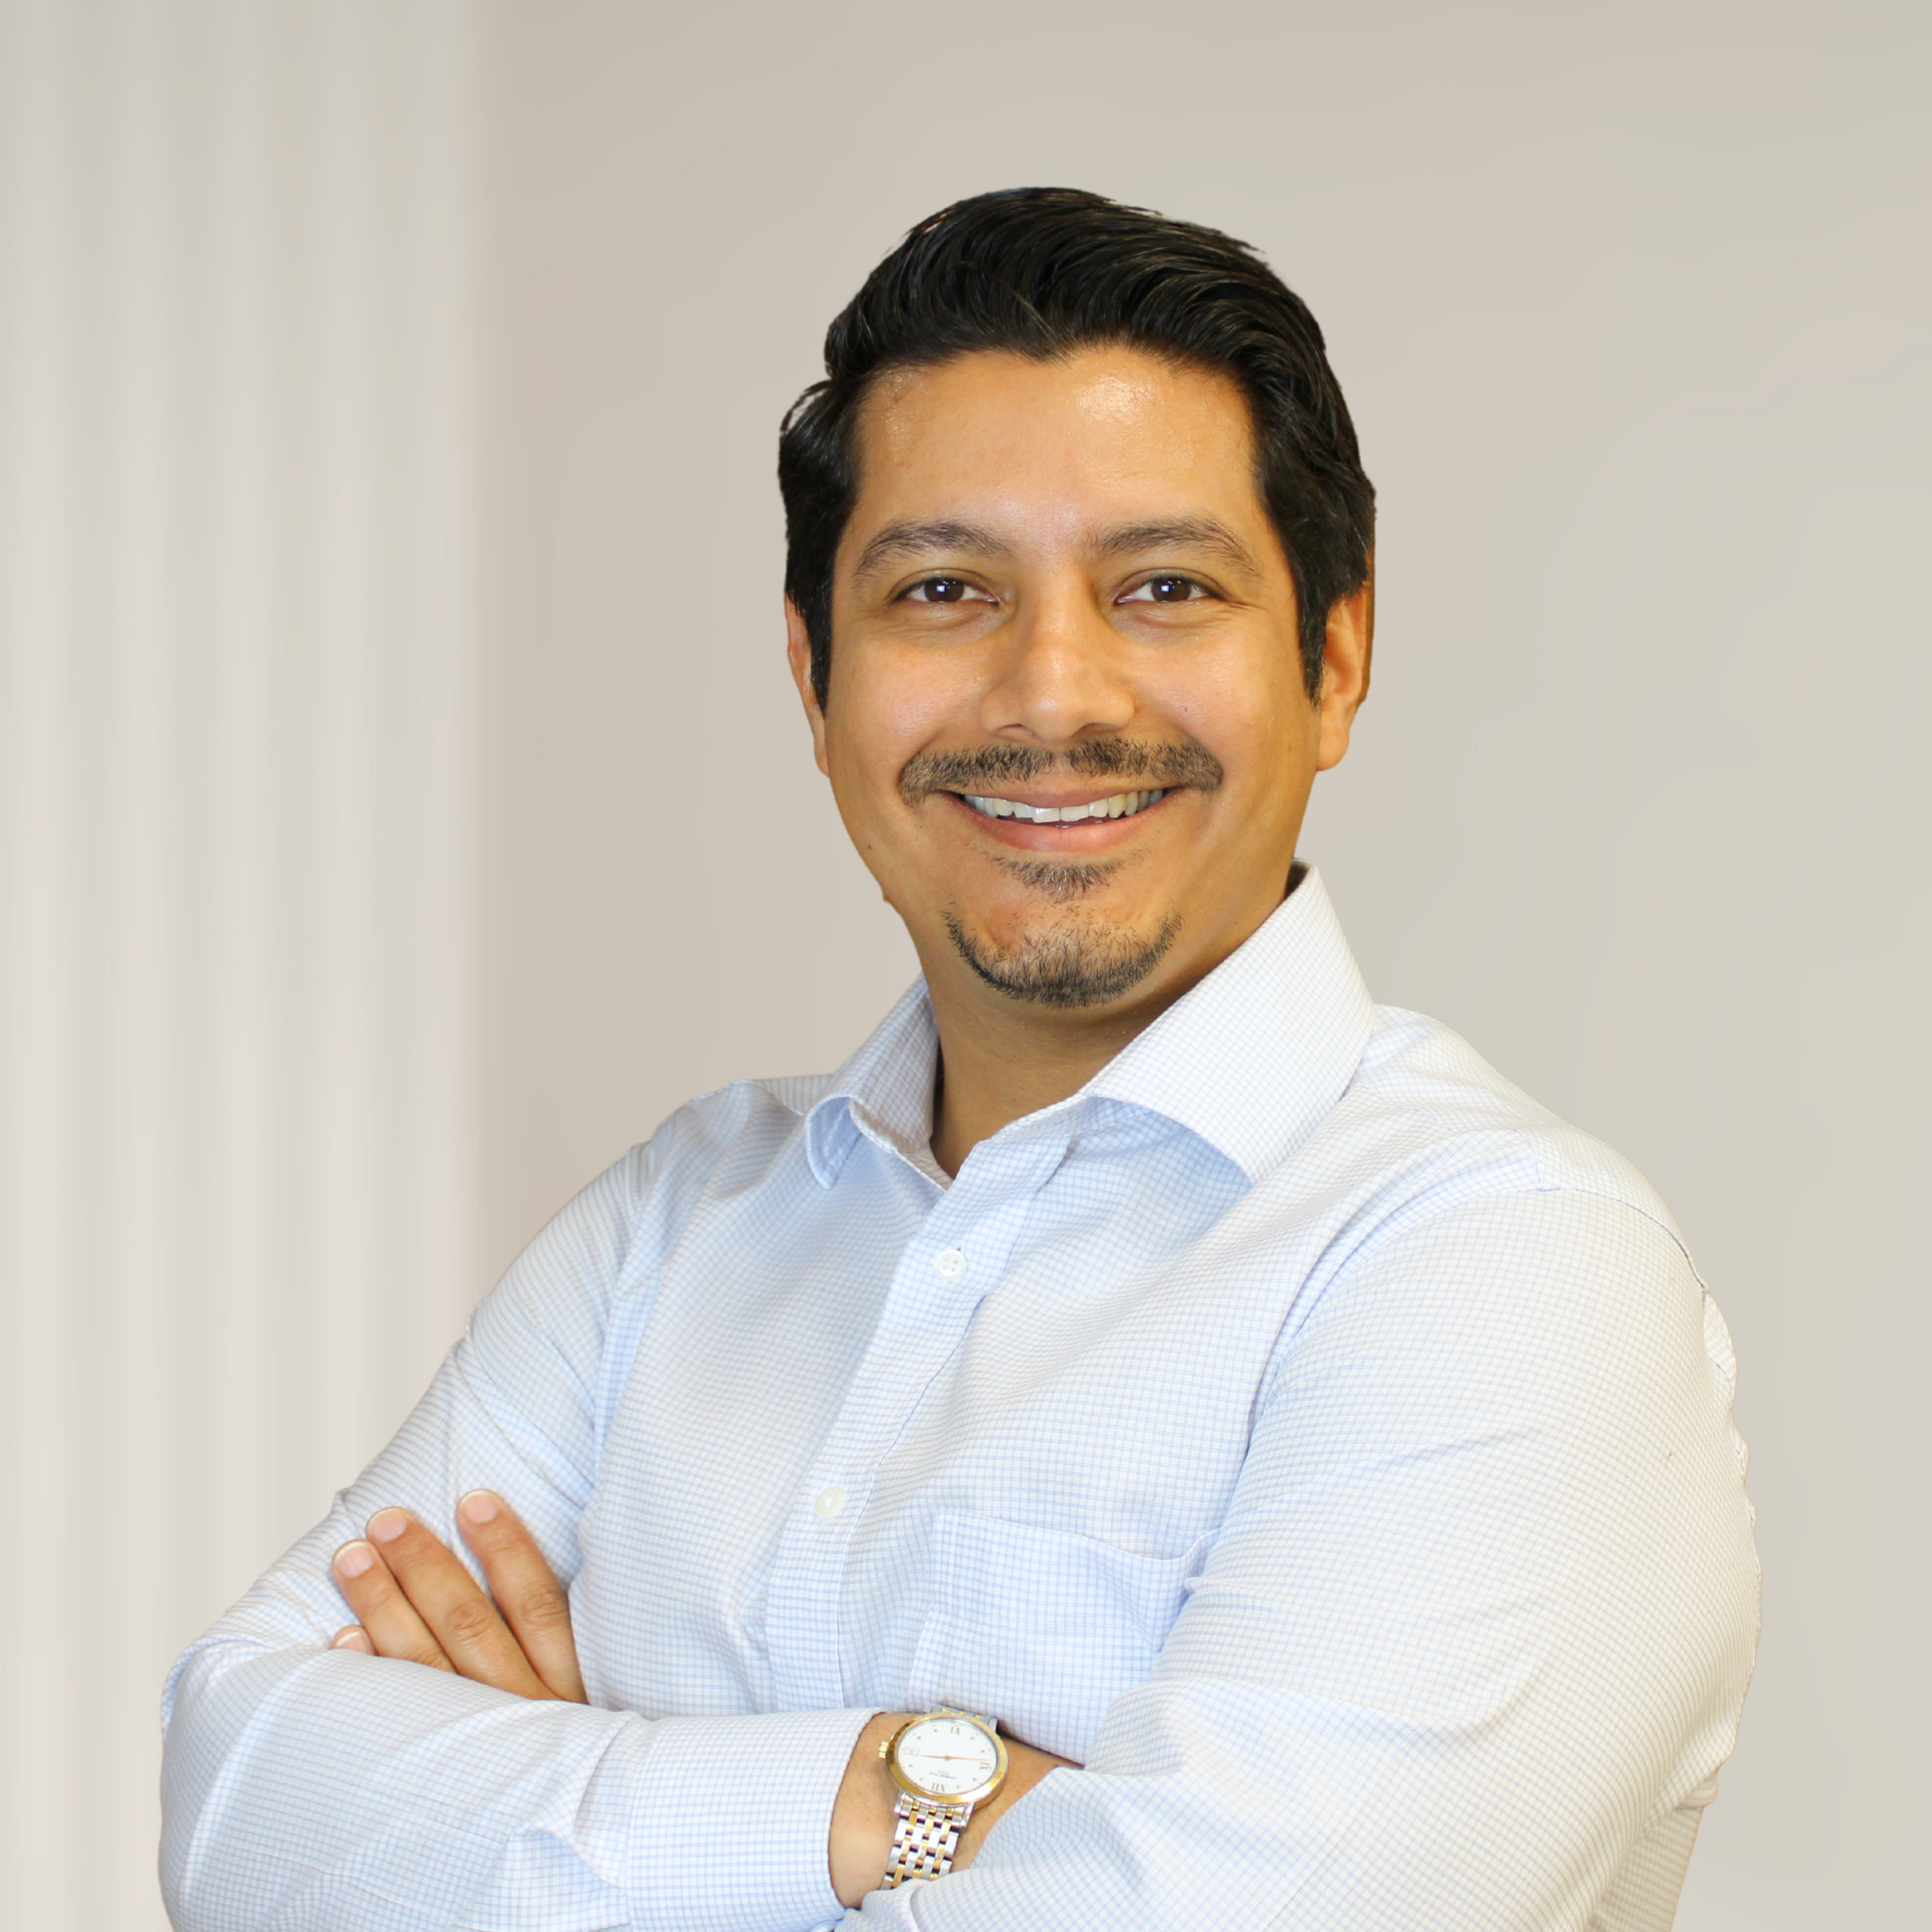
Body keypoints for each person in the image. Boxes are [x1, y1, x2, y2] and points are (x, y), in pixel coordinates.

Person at [159, 187, 1758, 1931]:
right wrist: (898, 1796)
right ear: (815, 677)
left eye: (1164, 585)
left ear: (1337, 658)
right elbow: (243, 1802)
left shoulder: (1503, 1272)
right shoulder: (673, 1225)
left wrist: (541, 1825)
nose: (1050, 690)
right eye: (942, 589)